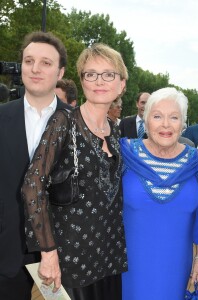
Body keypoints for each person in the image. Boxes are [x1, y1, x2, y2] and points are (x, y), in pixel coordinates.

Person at [22, 43, 128, 300]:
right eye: (90, 74)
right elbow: (32, 186)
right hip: (71, 257)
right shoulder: (64, 121)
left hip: (108, 253)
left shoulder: (115, 130)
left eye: (108, 74)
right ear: (82, 81)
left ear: (121, 84)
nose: (99, 81)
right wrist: (48, 253)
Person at [120, 87, 198, 300]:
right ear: (146, 119)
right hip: (129, 264)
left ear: (183, 123)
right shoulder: (124, 154)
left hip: (176, 264)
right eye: (157, 116)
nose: (166, 125)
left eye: (174, 117)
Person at [0, 31, 68, 300]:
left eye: (46, 63)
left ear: (60, 72)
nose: (35, 69)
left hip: (64, 251)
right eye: (29, 61)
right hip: (6, 248)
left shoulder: (78, 123)